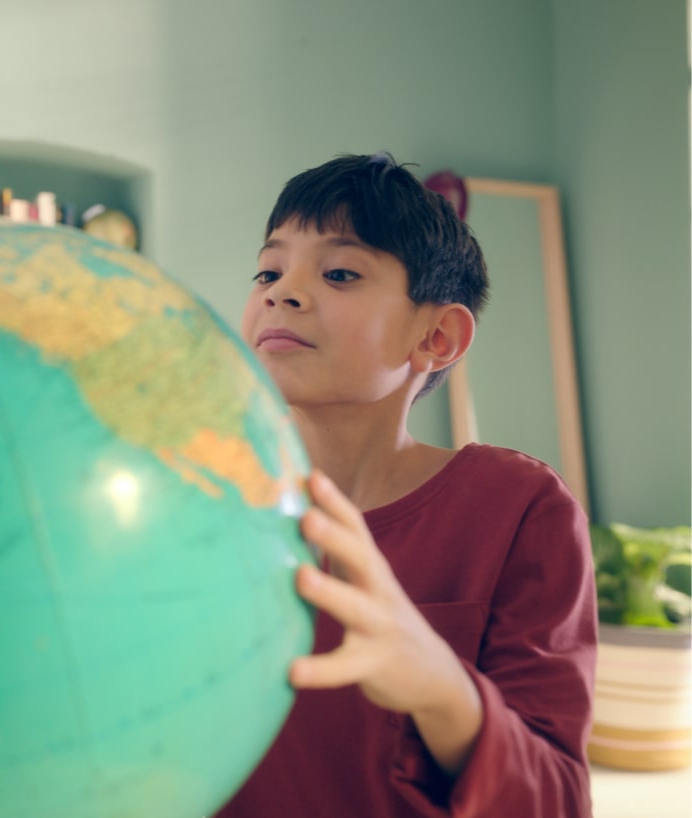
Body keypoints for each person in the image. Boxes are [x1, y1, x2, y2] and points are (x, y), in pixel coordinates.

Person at [215, 154, 597, 817]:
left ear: (438, 336)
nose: (281, 292)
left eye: (339, 272)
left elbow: (556, 801)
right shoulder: (200, 498)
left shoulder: (520, 510)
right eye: (268, 271)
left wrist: (442, 687)